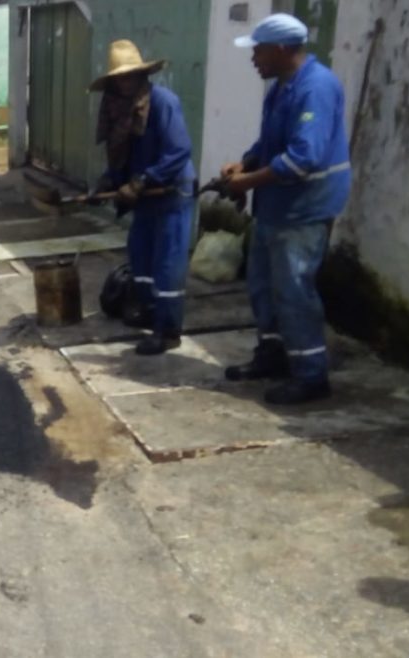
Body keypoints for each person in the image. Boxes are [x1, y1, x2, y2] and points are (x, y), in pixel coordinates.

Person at [220, 13, 351, 405]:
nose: (253, 58)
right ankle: (273, 354)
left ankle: (311, 375)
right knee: (263, 283)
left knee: (294, 290)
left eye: (257, 50)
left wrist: (247, 182)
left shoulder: (316, 88)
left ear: (280, 49)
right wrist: (244, 162)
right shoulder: (282, 86)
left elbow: (303, 158)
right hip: (276, 206)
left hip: (304, 207)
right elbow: (271, 142)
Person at [89, 40, 196, 356]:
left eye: (130, 76)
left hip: (171, 191)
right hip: (144, 196)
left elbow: (179, 151)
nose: (124, 83)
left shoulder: (163, 102)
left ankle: (168, 330)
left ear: (141, 75)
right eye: (118, 78)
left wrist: (142, 182)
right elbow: (121, 158)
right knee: (141, 258)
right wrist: (108, 182)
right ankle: (150, 313)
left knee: (168, 265)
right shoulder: (115, 109)